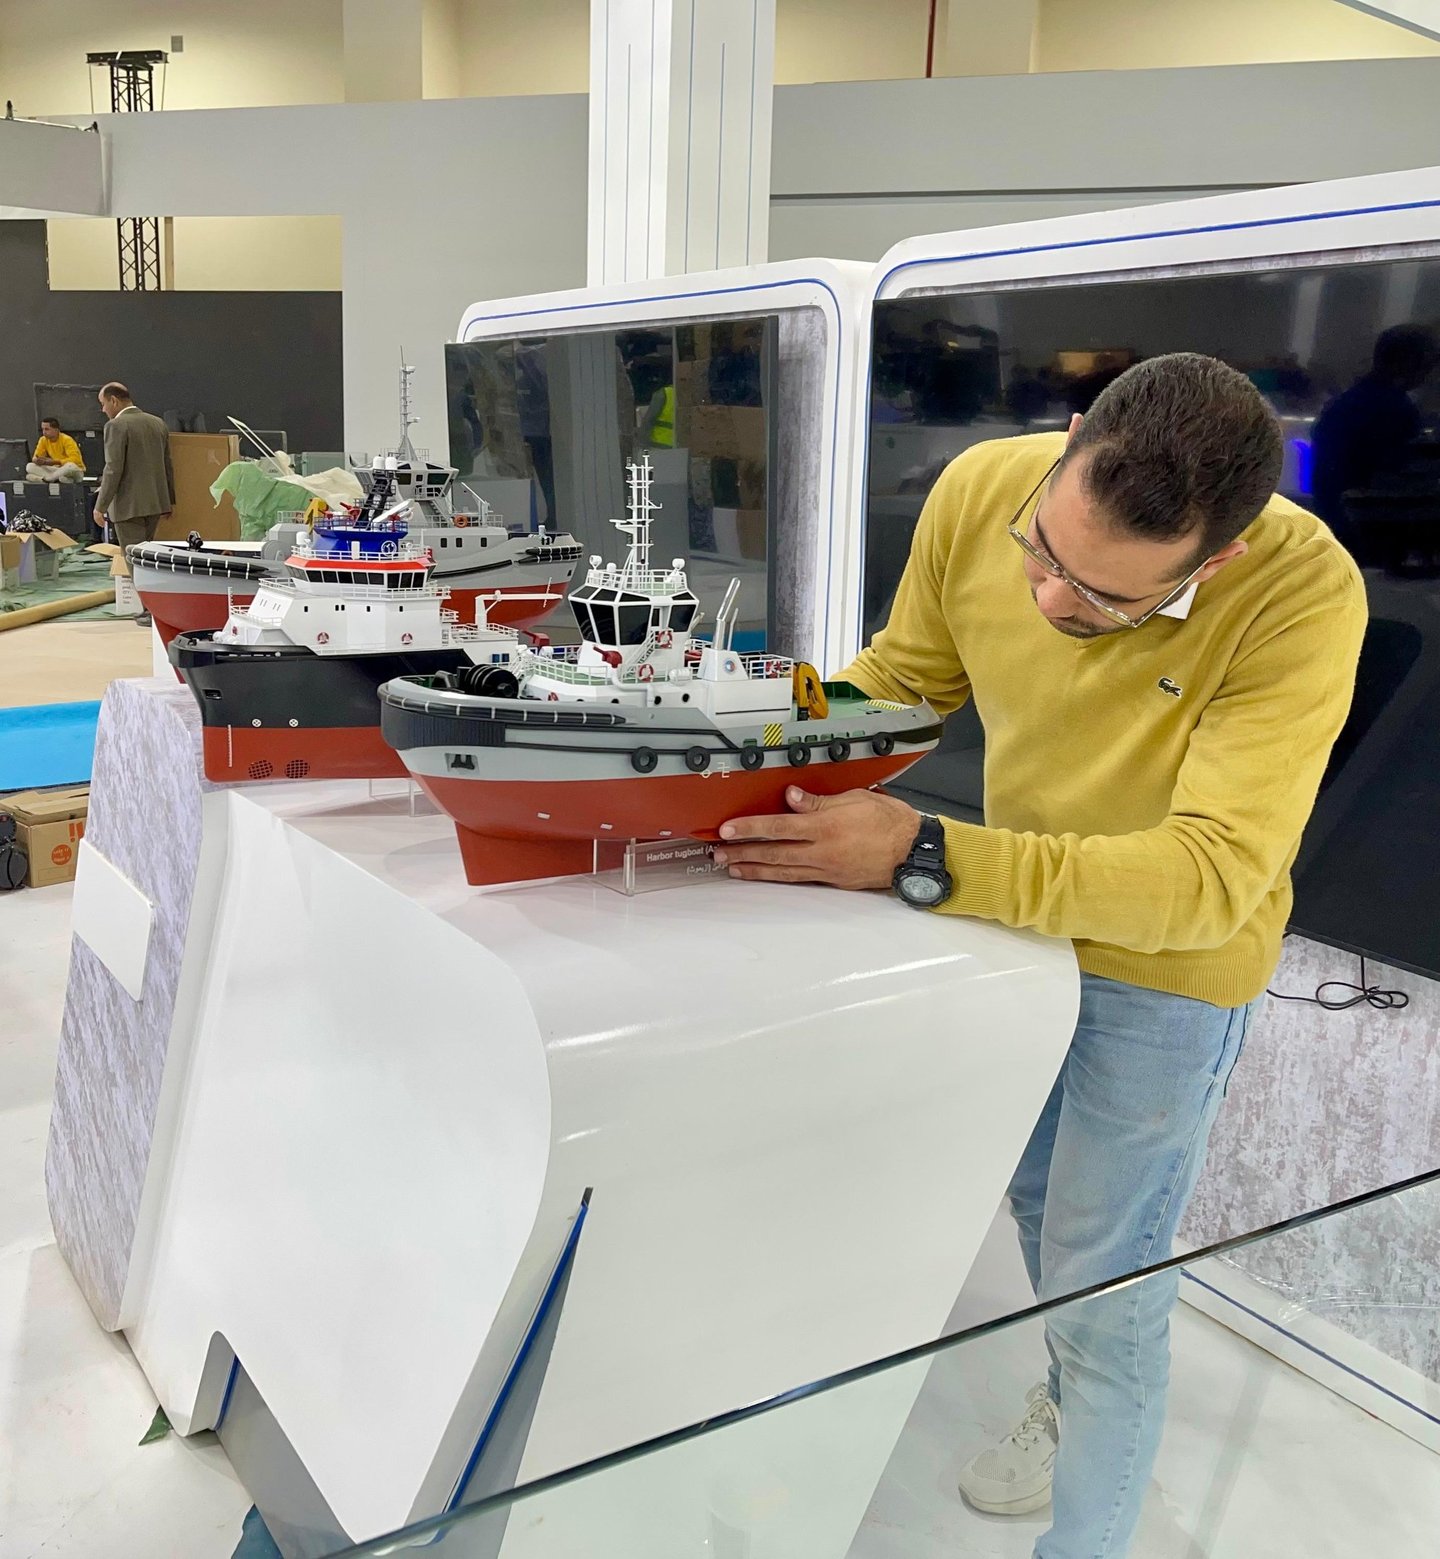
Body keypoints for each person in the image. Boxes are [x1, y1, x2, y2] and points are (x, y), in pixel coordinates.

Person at [713, 354, 1366, 1559]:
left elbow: (1210, 875)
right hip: (1014, 926)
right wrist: (749, 744)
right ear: (1068, 443)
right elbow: (903, 681)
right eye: (1045, 553)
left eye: (1108, 600)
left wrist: (922, 854)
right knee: (1032, 1199)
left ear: (1216, 559)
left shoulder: (1302, 590)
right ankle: (1067, 1389)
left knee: (1104, 1280)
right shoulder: (982, 486)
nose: (1054, 598)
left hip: (1168, 966)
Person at [1309, 323, 1439, 551]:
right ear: (1408, 364)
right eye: (1426, 365)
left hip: (1332, 512)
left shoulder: (1348, 400)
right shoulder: (1395, 407)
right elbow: (1398, 470)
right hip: (1366, 521)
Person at [93, 380, 174, 559]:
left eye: (103, 404)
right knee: (148, 559)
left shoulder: (115, 426)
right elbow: (167, 464)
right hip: (155, 503)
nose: (103, 410)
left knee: (134, 561)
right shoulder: (158, 423)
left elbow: (113, 468)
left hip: (128, 507)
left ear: (114, 401)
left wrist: (100, 506)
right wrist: (169, 500)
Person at [26, 417, 86, 481]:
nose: (44, 432)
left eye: (47, 429)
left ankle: (47, 479)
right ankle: (61, 479)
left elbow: (75, 460)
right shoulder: (43, 440)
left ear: (56, 430)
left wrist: (54, 462)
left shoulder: (67, 440)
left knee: (70, 466)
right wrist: (38, 460)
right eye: (42, 429)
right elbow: (35, 457)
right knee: (30, 466)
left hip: (74, 471)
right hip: (57, 470)